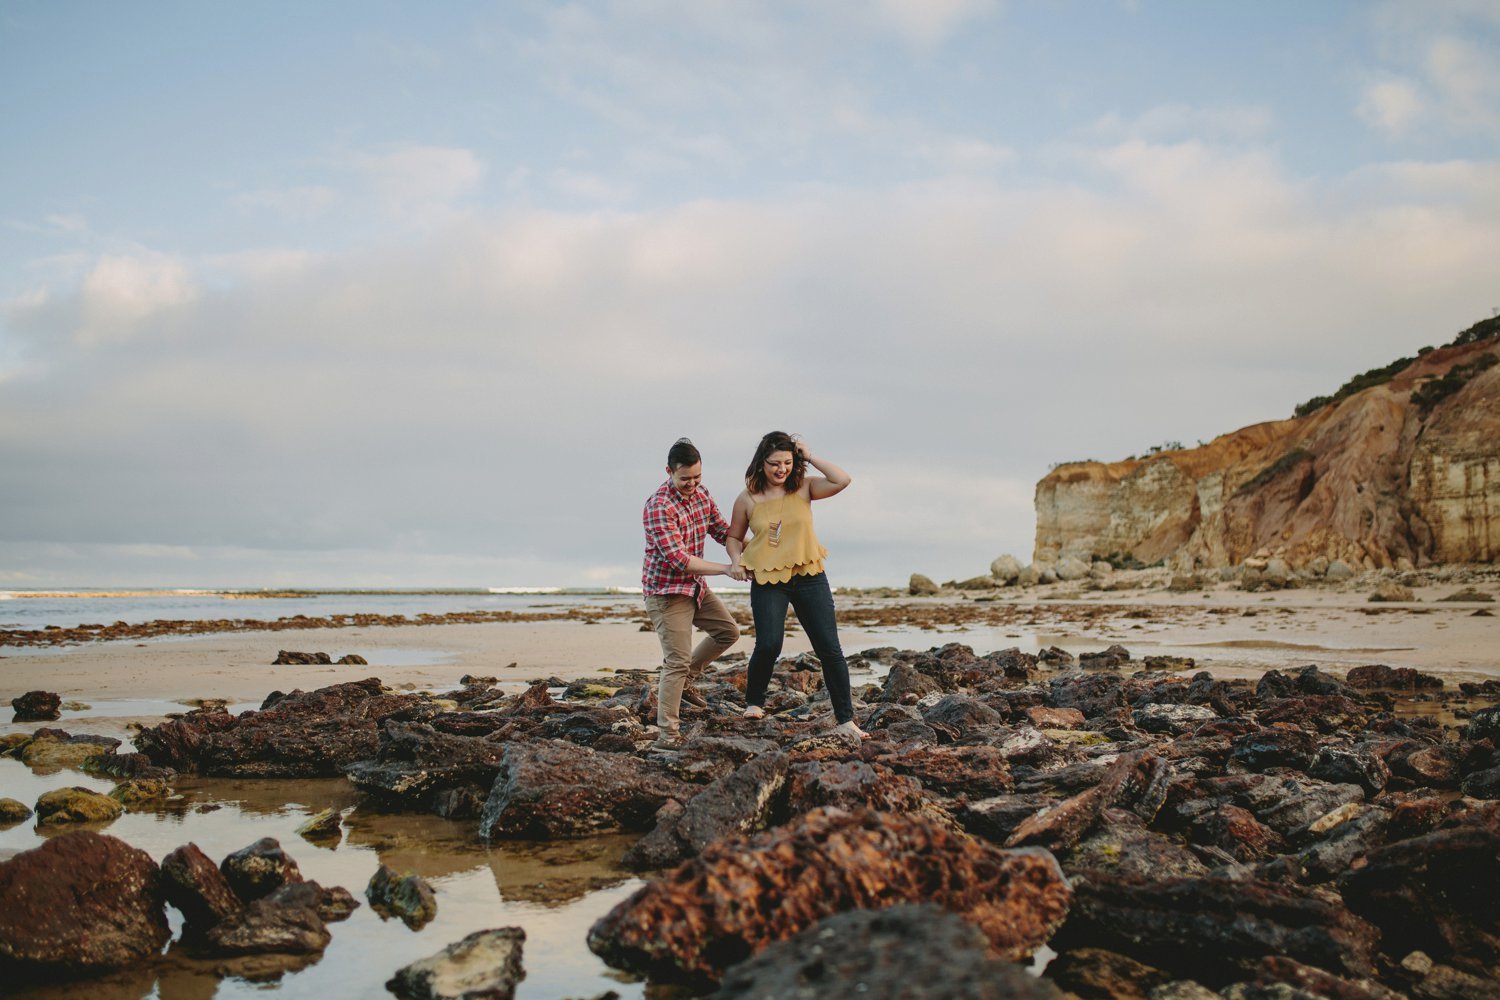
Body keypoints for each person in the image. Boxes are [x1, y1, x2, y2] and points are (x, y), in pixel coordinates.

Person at [727, 432, 868, 739]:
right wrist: (736, 561)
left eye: (789, 462)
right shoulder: (747, 498)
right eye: (775, 463)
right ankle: (753, 703)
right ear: (761, 462)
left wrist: (810, 456)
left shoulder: (804, 487)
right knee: (768, 644)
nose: (782, 469)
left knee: (829, 648)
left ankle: (845, 719)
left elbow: (842, 480)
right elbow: (733, 537)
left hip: (809, 576)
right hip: (767, 579)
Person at [642, 437, 740, 746]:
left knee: (728, 632)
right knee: (677, 661)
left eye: (697, 477)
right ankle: (667, 736)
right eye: (685, 478)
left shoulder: (702, 495)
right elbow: (680, 560)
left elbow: (723, 531)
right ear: (669, 471)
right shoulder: (659, 506)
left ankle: (687, 682)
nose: (692, 484)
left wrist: (752, 549)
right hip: (667, 592)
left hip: (696, 588)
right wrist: (726, 569)